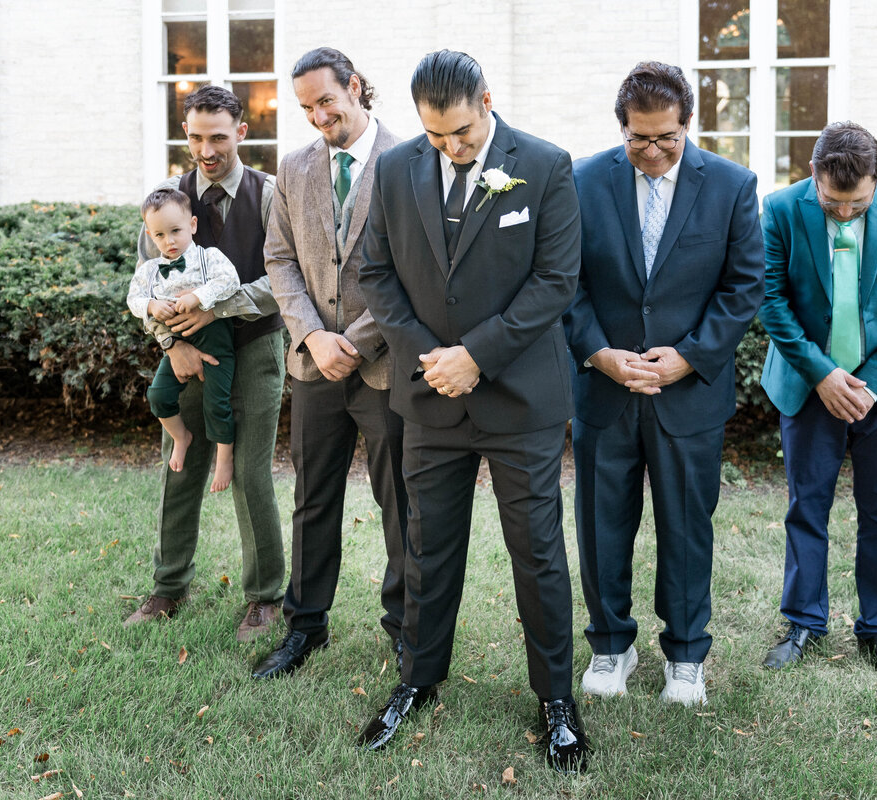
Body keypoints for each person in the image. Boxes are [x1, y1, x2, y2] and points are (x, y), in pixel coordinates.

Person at [357, 50, 588, 773]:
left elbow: (556, 281)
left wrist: (477, 356)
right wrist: (432, 356)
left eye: (459, 133)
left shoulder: (546, 166)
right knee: (426, 546)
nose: (449, 148)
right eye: (435, 136)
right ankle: (417, 680)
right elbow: (376, 272)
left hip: (521, 396)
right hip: (430, 393)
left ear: (487, 102)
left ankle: (556, 700)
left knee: (539, 552)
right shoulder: (395, 169)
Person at [563, 61, 765, 706]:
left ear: (689, 125)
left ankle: (685, 656)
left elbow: (743, 287)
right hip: (604, 390)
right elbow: (564, 281)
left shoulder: (732, 185)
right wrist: (598, 354)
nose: (652, 152)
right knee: (601, 525)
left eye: (666, 139)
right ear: (620, 128)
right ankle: (610, 646)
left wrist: (688, 356)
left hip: (690, 394)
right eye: (638, 139)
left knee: (686, 527)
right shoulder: (583, 180)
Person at [757, 121, 877, 685]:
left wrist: (870, 383)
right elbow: (769, 297)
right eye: (831, 202)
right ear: (813, 175)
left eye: (856, 204)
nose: (842, 213)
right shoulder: (782, 209)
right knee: (805, 507)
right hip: (809, 387)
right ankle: (803, 622)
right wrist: (822, 374)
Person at [251, 48, 408, 679]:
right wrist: (314, 338)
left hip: (386, 366)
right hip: (314, 366)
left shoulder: (409, 160)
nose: (319, 116)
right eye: (307, 107)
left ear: (356, 87)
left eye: (327, 101)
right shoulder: (292, 169)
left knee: (399, 501)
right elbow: (280, 260)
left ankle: (406, 629)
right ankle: (304, 627)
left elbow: (413, 270)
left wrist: (360, 340)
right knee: (313, 501)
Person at [124, 85, 288, 644]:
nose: (206, 149)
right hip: (188, 354)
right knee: (180, 465)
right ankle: (168, 587)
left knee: (249, 472)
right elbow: (145, 286)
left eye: (217, 137)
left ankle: (265, 599)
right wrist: (175, 346)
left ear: (241, 132)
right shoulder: (165, 203)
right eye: (195, 137)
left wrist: (214, 302)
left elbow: (285, 283)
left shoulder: (270, 195)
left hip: (258, 347)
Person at [128, 188, 240, 493]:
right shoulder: (150, 271)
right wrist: (151, 305)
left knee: (216, 404)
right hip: (175, 341)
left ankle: (224, 457)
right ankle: (181, 437)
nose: (170, 241)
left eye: (176, 231)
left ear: (192, 225)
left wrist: (197, 296)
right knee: (158, 396)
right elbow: (133, 299)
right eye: (160, 235)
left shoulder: (208, 258)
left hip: (215, 339)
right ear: (151, 236)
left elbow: (230, 280)